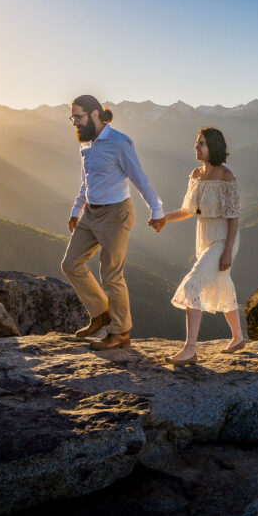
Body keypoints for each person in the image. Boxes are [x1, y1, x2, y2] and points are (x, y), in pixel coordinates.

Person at [61, 94, 166, 350]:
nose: (74, 121)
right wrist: (77, 210)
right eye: (72, 116)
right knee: (71, 264)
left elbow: (139, 178)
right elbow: (86, 182)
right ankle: (101, 313)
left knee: (111, 274)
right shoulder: (85, 145)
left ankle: (121, 332)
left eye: (78, 116)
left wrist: (156, 210)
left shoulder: (119, 143)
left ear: (95, 114)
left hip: (116, 213)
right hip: (91, 214)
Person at [151, 127, 246, 365]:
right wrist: (164, 218)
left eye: (201, 143)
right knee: (223, 285)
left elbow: (234, 216)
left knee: (193, 285)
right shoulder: (196, 174)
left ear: (213, 147)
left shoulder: (226, 175)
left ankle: (190, 349)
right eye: (196, 143)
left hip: (224, 239)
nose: (196, 147)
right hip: (205, 238)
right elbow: (187, 210)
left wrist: (227, 251)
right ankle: (238, 338)